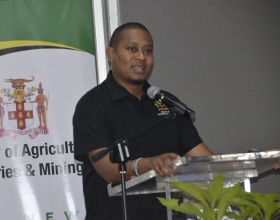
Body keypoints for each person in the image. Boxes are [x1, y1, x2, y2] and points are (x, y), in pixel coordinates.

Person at [72, 22, 213, 220]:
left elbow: (205, 161)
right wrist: (149, 164)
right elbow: (108, 171)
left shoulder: (166, 103)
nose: (141, 57)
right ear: (111, 54)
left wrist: (255, 159)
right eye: (132, 49)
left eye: (148, 51)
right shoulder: (92, 105)